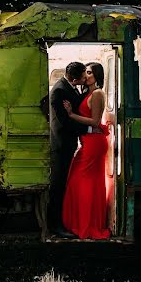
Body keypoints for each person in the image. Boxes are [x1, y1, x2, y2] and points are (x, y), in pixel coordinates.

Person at [62, 61, 115, 240]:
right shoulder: (87, 93)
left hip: (94, 143)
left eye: (90, 73)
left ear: (97, 76)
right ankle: (82, 223)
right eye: (85, 72)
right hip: (88, 142)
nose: (86, 76)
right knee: (83, 182)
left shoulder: (98, 93)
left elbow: (94, 121)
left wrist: (71, 115)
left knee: (81, 182)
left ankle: (88, 225)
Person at [47, 61, 89, 238]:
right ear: (73, 78)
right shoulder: (59, 91)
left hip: (67, 143)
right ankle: (55, 225)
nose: (85, 78)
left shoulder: (68, 86)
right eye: (83, 77)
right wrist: (89, 129)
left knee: (62, 183)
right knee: (57, 185)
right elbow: (64, 121)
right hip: (61, 144)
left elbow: (77, 103)